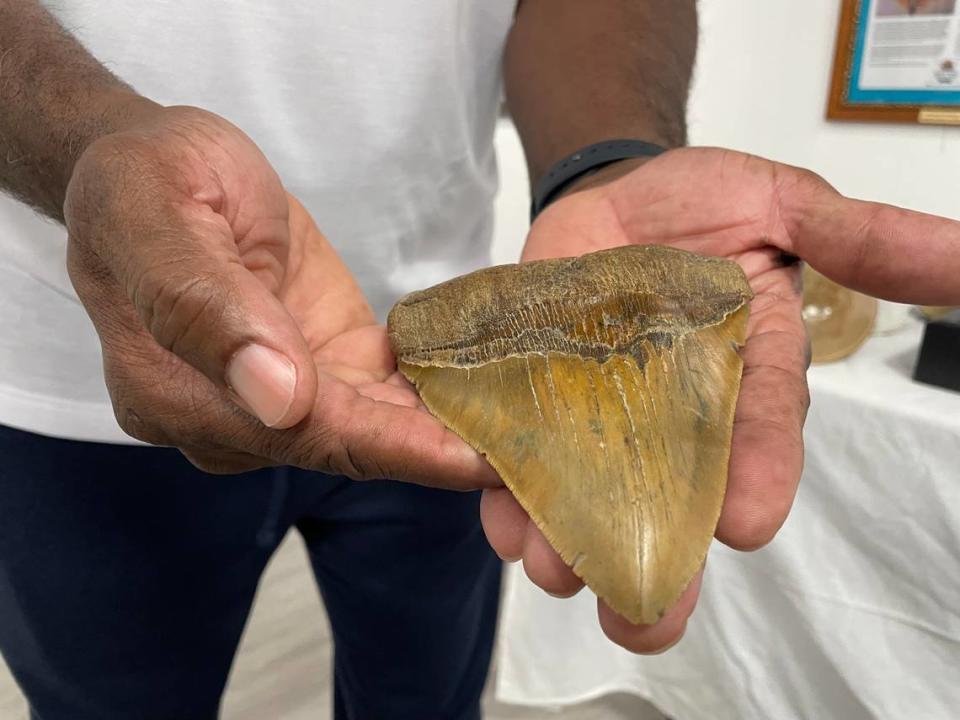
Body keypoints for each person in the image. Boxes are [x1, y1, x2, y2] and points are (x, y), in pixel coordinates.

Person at [0, 1, 958, 718]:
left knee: (425, 700)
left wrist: (609, 162)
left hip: (443, 385)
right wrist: (91, 142)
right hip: (82, 345)